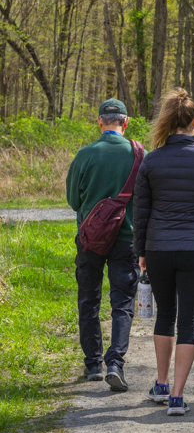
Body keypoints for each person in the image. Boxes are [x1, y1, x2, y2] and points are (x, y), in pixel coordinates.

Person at [133, 88, 194, 416]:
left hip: (159, 248)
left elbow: (141, 210)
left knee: (165, 315)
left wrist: (141, 250)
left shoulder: (151, 160)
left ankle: (161, 383)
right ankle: (176, 396)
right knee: (188, 320)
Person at [66, 98, 143, 392]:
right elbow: (146, 202)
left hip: (90, 240)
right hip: (127, 240)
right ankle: (115, 363)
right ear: (126, 122)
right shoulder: (140, 155)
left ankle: (93, 365)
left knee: (89, 300)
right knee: (122, 304)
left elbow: (74, 202)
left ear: (100, 122)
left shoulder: (85, 155)